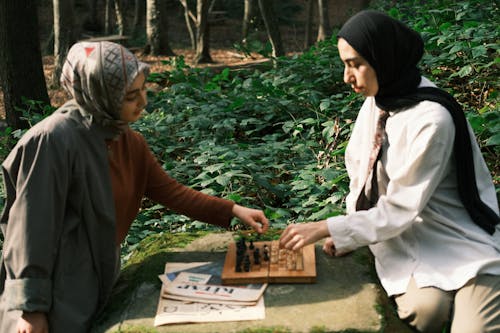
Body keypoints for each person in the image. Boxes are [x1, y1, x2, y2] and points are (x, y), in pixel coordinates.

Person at [0, 41, 269, 333]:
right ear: (98, 94)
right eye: (130, 96)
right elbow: (29, 231)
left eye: (143, 89)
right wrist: (31, 308)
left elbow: (171, 192)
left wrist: (232, 209)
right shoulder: (53, 141)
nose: (143, 102)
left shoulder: (127, 140)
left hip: (100, 277)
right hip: (54, 291)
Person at [280, 10, 500, 333]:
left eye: (355, 64)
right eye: (345, 64)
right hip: (407, 236)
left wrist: (326, 227)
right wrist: (349, 234)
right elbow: (361, 176)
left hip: (460, 236)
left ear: (383, 58)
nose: (347, 77)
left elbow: (400, 207)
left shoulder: (432, 120)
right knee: (423, 312)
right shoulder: (379, 101)